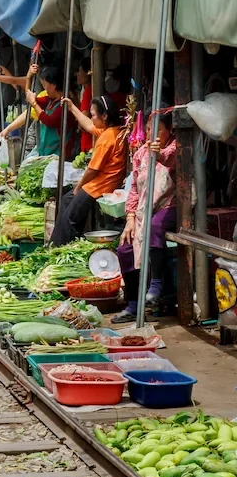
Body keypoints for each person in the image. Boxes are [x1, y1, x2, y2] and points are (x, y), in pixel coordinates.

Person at [112, 107, 176, 324]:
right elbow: (134, 191)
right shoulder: (140, 154)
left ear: (169, 130)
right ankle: (133, 304)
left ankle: (156, 284)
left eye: (157, 130)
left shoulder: (178, 147)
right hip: (142, 209)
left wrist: (159, 153)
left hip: (169, 205)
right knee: (124, 247)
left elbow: (169, 160)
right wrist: (129, 219)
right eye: (148, 129)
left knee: (155, 227)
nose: (151, 134)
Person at [51, 95, 127, 246]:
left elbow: (92, 170)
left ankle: (61, 247)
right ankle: (55, 243)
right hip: (101, 183)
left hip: (100, 187)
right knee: (66, 201)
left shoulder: (107, 139)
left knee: (70, 218)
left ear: (104, 116)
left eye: (93, 115)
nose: (91, 118)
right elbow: (88, 125)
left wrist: (78, 187)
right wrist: (72, 107)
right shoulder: (114, 131)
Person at [0, 67, 75, 158]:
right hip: (47, 153)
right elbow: (29, 97)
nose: (44, 89)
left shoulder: (64, 105)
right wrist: (28, 77)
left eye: (45, 85)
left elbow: (48, 121)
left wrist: (34, 103)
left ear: (53, 85)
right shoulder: (50, 100)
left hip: (60, 154)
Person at [77, 59, 93, 153]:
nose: (77, 74)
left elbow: (83, 122)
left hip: (88, 141)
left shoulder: (88, 92)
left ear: (88, 73)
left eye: (80, 71)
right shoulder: (86, 91)